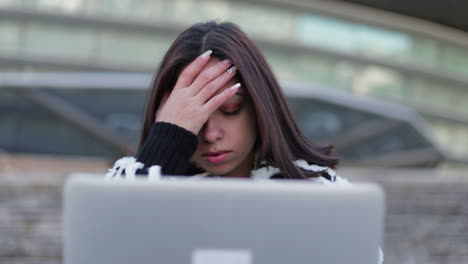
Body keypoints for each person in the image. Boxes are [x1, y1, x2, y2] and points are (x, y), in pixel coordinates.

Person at [105, 20, 383, 263]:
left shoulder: (323, 197)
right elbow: (106, 246)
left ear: (261, 107)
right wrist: (167, 140)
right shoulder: (127, 184)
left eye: (229, 109)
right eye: (192, 117)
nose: (210, 134)